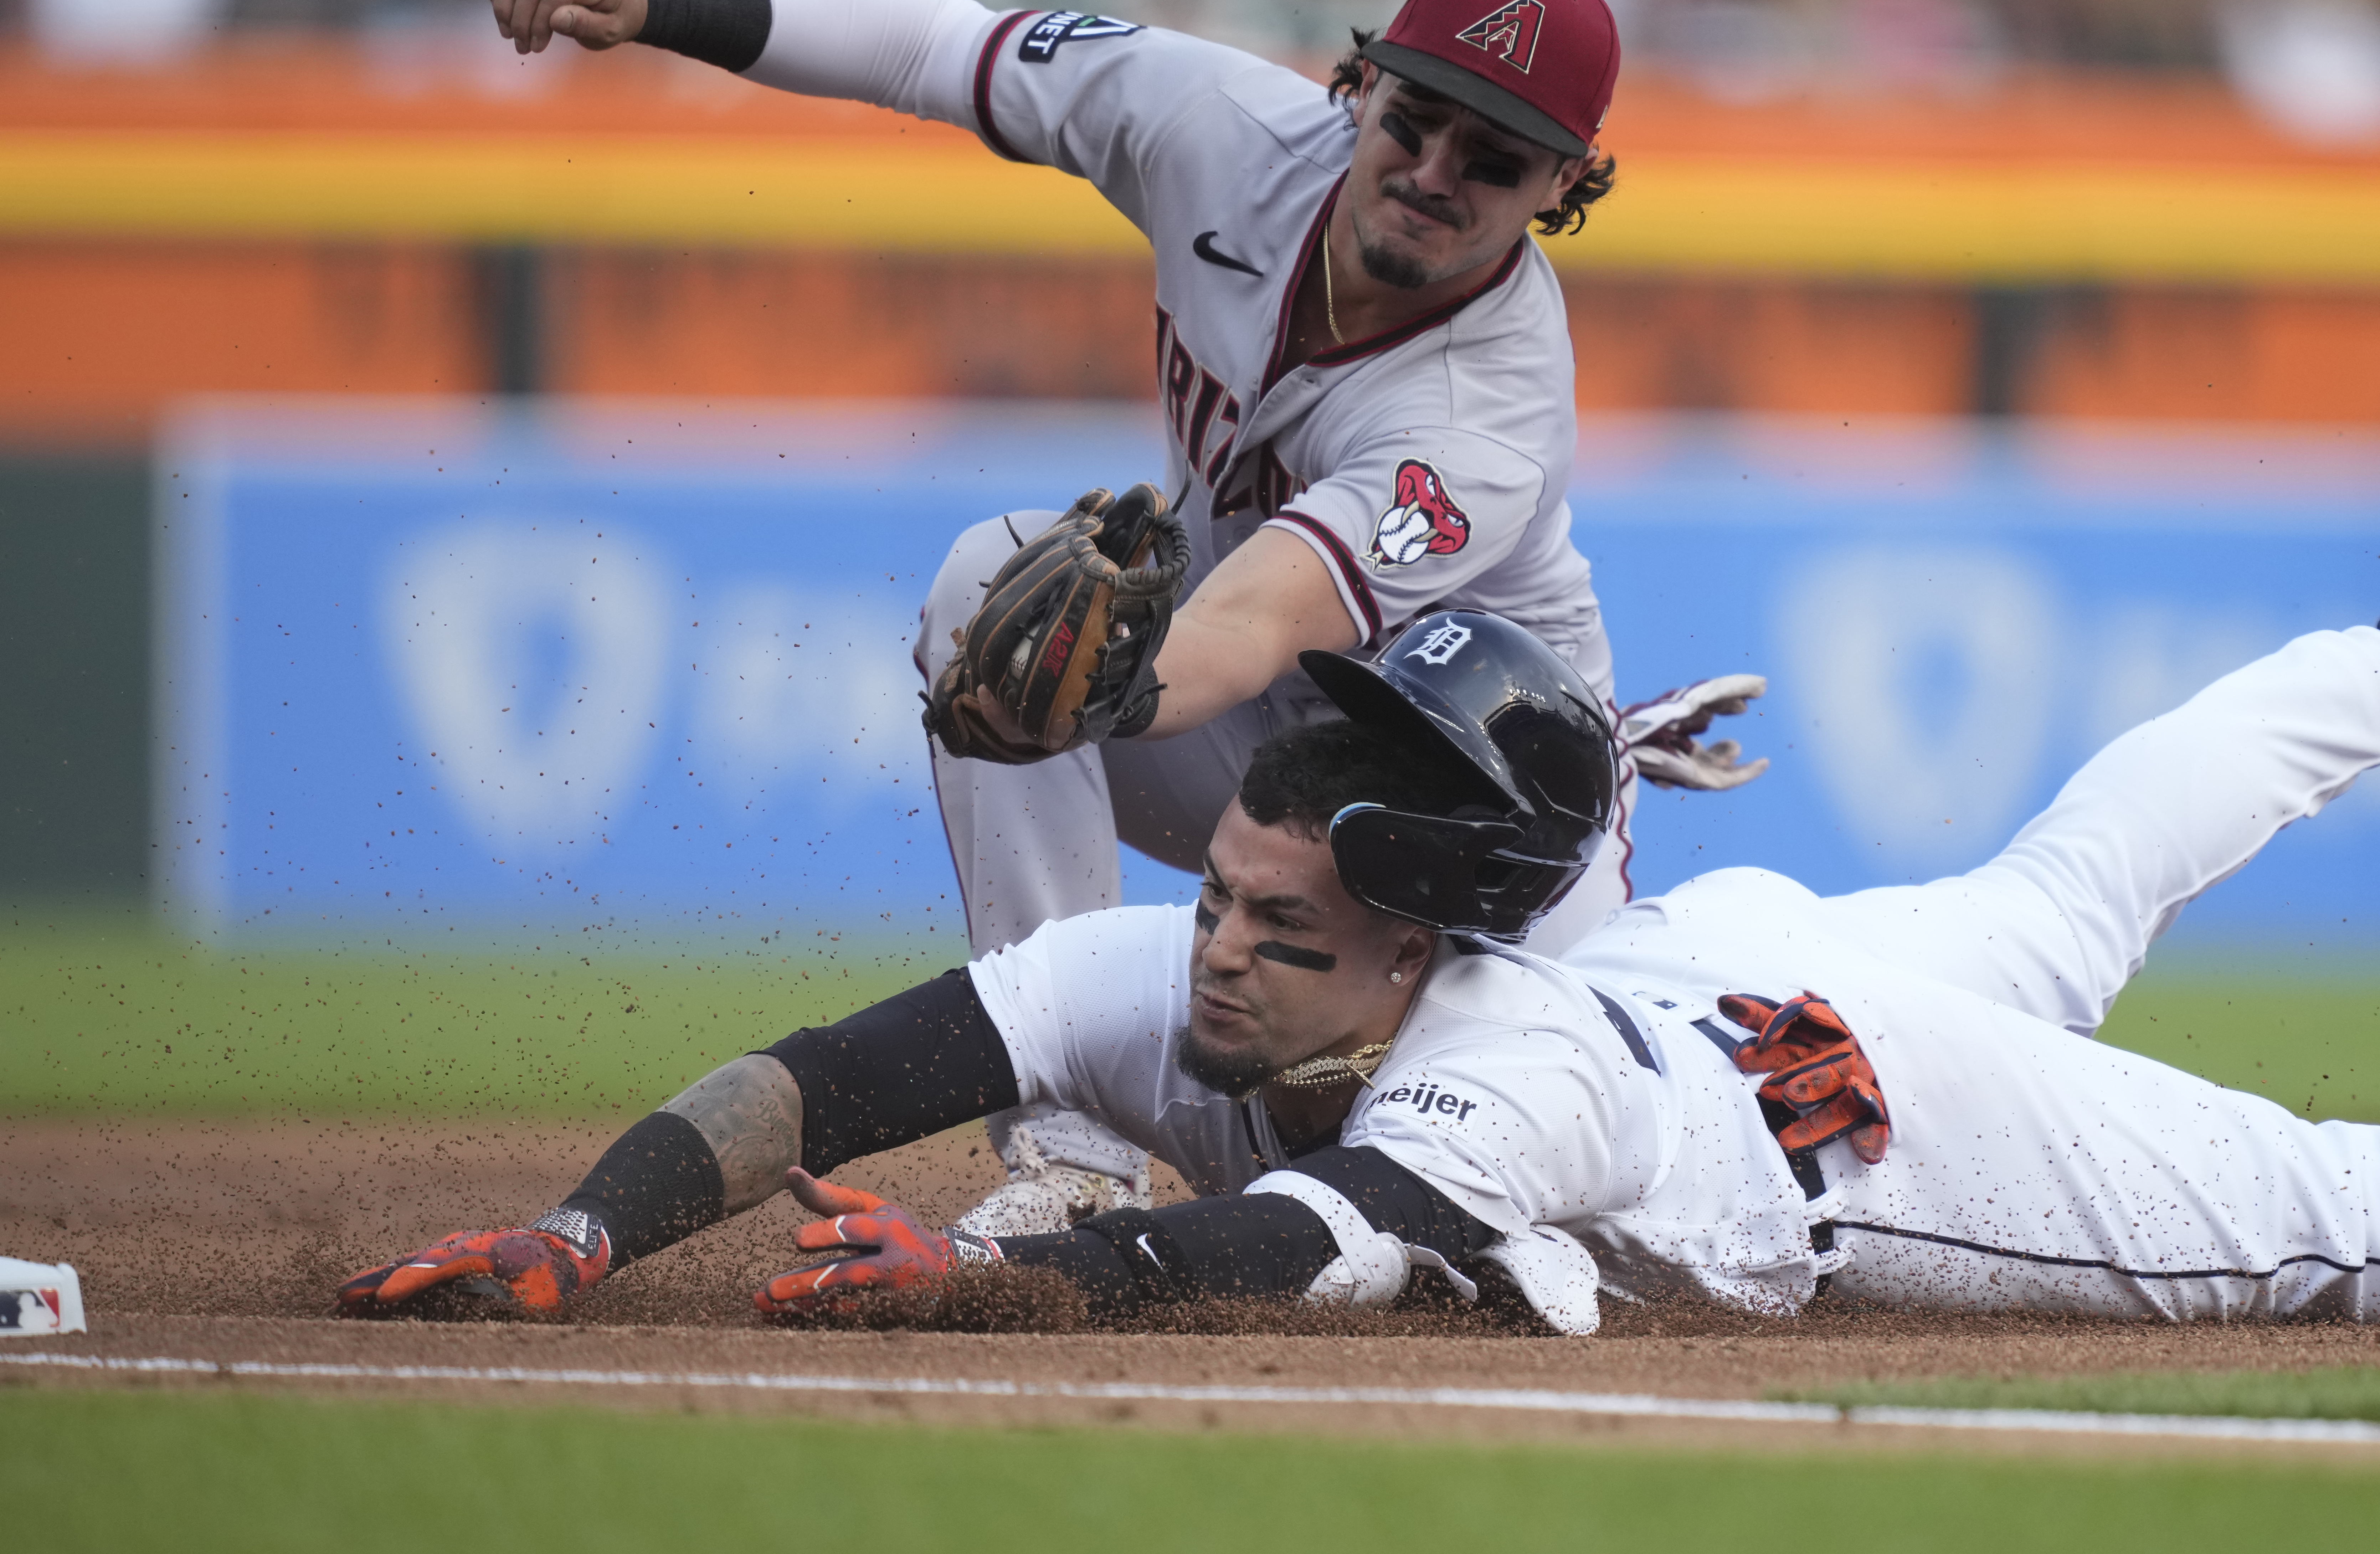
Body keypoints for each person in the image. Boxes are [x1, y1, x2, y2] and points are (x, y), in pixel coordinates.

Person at [476, 0, 1770, 1232]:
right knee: (995, 586)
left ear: (1566, 184)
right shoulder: (1217, 128)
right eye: (1415, 119)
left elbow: (1258, 619)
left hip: (1493, 831)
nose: (1435, 172)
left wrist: (1109, 690)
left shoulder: (1486, 406)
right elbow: (938, 46)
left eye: (1493, 159)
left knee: (1573, 1219)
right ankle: (1071, 1155)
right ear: (1361, 84)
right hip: (1274, 751)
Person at [341, 611, 2380, 1331]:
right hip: (1725, 961)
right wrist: (584, 1228)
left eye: (1279, 931)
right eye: (1221, 897)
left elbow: (1285, 1249)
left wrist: (988, 1279)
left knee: (2336, 1218)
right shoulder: (1214, 958)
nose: (1216, 953)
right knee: (2062, 888)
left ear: (1414, 956)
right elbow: (838, 1070)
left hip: (1860, 1125)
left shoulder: (1505, 1071)